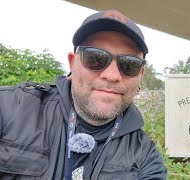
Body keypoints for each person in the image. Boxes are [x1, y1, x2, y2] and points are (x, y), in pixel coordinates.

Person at [0, 9, 166, 179]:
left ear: (140, 75)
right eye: (95, 58)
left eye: (129, 65)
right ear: (72, 64)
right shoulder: (9, 109)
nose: (112, 75)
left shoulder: (145, 157)